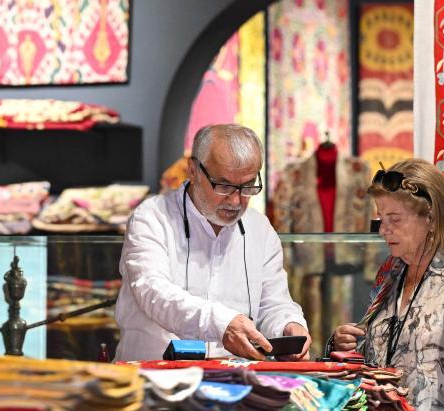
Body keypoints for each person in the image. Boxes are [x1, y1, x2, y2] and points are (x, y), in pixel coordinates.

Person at [115, 124, 310, 361]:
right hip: (154, 373)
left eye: (247, 186)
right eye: (224, 185)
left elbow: (274, 303)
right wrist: (221, 323)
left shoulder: (260, 228)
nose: (236, 200)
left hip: (237, 376)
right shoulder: (152, 217)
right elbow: (153, 291)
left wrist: (288, 325)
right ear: (193, 171)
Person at [329, 159, 444, 410]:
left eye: (395, 219)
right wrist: (342, 345)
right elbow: (381, 352)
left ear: (431, 217)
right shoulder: (391, 271)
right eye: (381, 218)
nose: (383, 230)